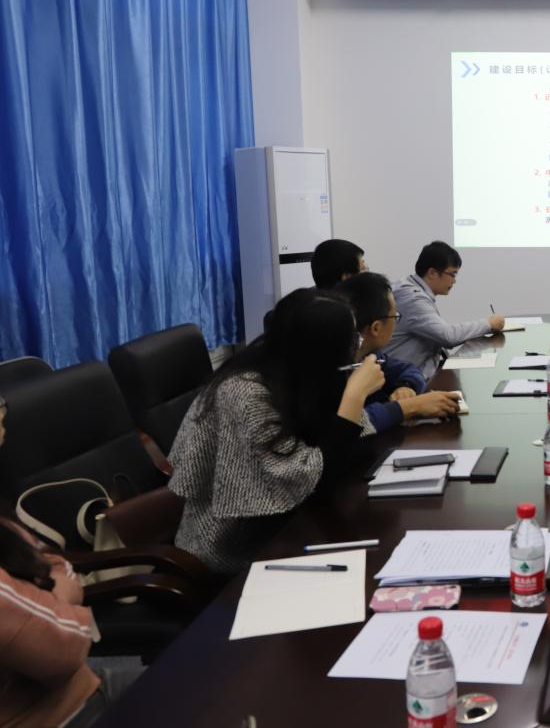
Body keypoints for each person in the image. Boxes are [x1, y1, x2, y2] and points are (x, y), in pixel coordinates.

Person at [168, 288, 385, 574]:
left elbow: (351, 452)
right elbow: (297, 477)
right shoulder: (244, 391)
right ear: (322, 346)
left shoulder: (308, 373)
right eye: (352, 337)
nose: (357, 344)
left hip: (298, 521)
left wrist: (351, 399)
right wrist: (353, 398)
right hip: (235, 544)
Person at [0, 397, 144, 727]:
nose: (4, 409)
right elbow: (61, 651)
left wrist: (44, 599)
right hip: (56, 713)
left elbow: (52, 561)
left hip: (76, 685)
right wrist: (53, 599)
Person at [336, 272, 460, 430]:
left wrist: (406, 386)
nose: (396, 321)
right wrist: (410, 407)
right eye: (395, 316)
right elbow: (348, 424)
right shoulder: (331, 368)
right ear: (376, 328)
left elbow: (408, 369)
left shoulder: (370, 355)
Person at [384, 241, 505, 378]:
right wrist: (488, 324)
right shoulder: (413, 299)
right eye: (452, 275)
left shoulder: (409, 287)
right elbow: (448, 336)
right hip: (403, 381)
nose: (454, 281)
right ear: (432, 273)